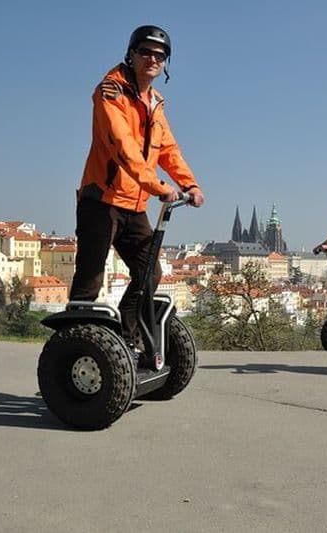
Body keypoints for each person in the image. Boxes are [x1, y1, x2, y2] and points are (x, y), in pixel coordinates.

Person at [69, 25, 205, 354]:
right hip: (101, 199)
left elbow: (169, 150)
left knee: (150, 273)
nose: (152, 59)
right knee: (91, 278)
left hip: (134, 203)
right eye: (145, 52)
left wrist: (190, 183)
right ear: (131, 53)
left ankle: (127, 337)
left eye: (160, 55)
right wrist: (158, 186)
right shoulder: (110, 90)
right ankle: (72, 347)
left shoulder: (155, 102)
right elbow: (122, 145)